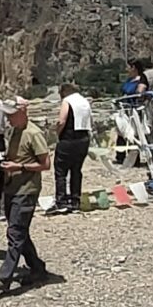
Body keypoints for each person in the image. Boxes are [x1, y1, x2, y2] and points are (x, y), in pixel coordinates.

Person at [0, 101, 54, 296]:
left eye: (11, 115)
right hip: (12, 187)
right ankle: (37, 269)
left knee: (15, 232)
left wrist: (20, 167)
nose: (8, 119)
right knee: (20, 231)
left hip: (27, 189)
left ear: (23, 112)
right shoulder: (15, 131)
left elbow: (45, 164)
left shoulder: (33, 133)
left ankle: (4, 277)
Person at [51, 83, 91, 213]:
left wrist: (57, 132)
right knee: (76, 170)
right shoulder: (84, 101)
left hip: (69, 139)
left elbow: (62, 120)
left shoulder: (67, 101)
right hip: (83, 138)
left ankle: (61, 201)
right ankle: (75, 200)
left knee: (61, 171)